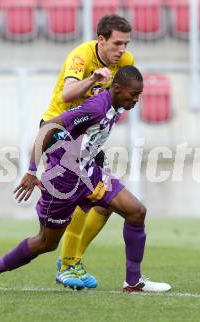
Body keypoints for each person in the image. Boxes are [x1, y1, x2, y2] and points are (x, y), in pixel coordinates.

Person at [0, 65, 171, 293]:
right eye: (133, 94)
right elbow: (49, 127)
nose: (137, 100)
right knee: (46, 242)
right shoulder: (97, 108)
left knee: (136, 211)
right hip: (62, 182)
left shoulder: (117, 104)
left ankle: (133, 282)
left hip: (89, 175)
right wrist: (30, 171)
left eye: (139, 95)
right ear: (117, 89)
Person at [41, 14, 134, 289]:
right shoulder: (81, 56)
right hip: (60, 132)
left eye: (126, 44)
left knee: (106, 204)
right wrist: (94, 78)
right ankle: (68, 264)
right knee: (83, 201)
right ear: (101, 40)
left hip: (88, 138)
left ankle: (70, 261)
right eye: (117, 43)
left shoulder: (126, 63)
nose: (122, 50)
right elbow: (67, 95)